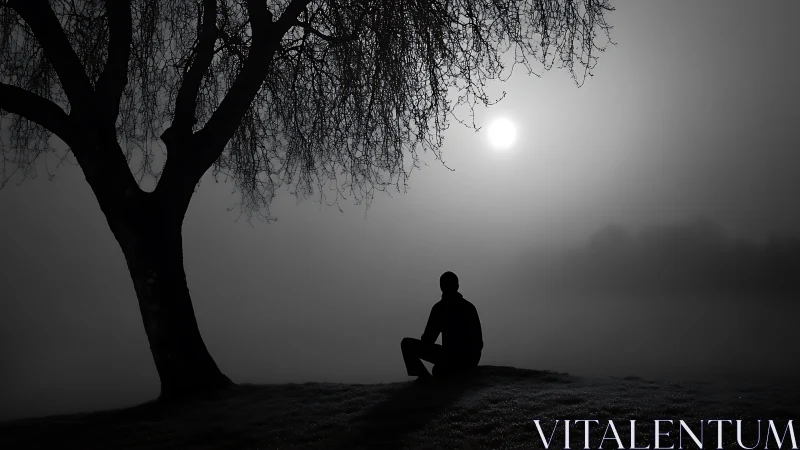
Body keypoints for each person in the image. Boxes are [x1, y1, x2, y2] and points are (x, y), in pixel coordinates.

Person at [401, 271, 483, 380]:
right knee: (438, 370)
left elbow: (428, 340)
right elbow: (479, 343)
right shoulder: (469, 307)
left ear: (441, 287)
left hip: (455, 358)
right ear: (457, 286)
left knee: (407, 344)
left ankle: (424, 380)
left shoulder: (439, 308)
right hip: (469, 360)